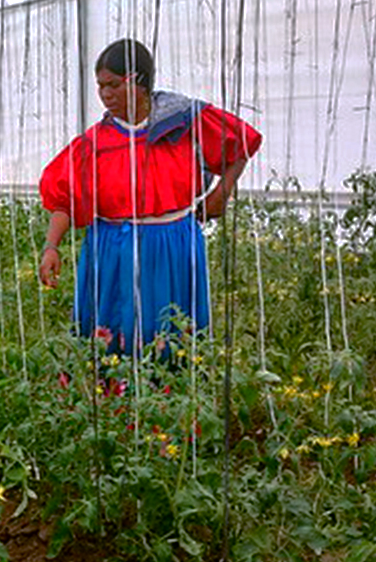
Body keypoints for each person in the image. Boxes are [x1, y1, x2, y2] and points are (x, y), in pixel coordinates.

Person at [38, 38, 262, 355]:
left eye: (114, 85)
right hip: (112, 250)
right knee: (115, 332)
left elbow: (240, 143)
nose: (105, 95)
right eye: (100, 86)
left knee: (169, 328)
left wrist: (220, 194)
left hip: (172, 245)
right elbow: (65, 198)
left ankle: (171, 394)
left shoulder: (183, 122)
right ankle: (112, 395)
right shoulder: (95, 143)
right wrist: (51, 247)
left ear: (139, 81)